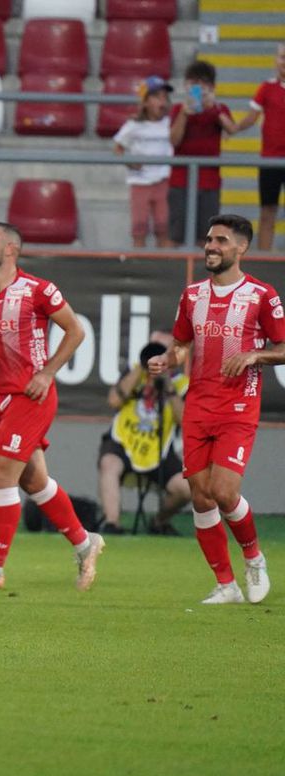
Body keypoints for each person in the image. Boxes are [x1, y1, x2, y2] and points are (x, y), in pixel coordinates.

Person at [0, 222, 105, 591]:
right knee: (33, 479)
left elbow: (75, 330)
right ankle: (86, 544)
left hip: (32, 395)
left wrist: (48, 373)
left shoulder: (38, 290)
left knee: (2, 472)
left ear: (11, 249)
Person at [148, 214, 285, 604]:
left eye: (221, 240)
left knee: (224, 492)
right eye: (209, 239)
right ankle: (226, 585)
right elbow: (181, 346)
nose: (211, 246)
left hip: (239, 406)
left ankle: (253, 557)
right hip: (198, 404)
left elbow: (283, 348)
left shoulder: (262, 295)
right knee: (201, 496)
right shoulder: (192, 295)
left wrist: (253, 355)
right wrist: (166, 360)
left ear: (241, 248)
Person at [97, 338, 190, 536]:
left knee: (186, 488)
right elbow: (114, 401)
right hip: (122, 441)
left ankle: (159, 521)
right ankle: (112, 523)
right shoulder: (133, 374)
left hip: (159, 448)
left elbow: (185, 422)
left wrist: (168, 387)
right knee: (109, 463)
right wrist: (140, 369)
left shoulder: (181, 384)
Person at [168, 60, 238, 247]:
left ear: (212, 86)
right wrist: (184, 114)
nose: (197, 87)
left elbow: (232, 129)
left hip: (209, 181)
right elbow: (174, 140)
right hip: (180, 180)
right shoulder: (177, 109)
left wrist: (213, 109)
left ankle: (203, 275)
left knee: (206, 237)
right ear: (185, 85)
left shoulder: (219, 109)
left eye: (203, 83)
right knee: (175, 235)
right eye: (192, 83)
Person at [232, 43, 285, 251]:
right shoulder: (266, 88)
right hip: (270, 160)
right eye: (282, 57)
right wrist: (233, 128)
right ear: (276, 60)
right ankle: (265, 258)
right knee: (267, 212)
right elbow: (251, 118)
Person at [113, 76, 174, 248]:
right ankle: (139, 264)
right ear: (145, 102)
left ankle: (165, 264)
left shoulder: (170, 123)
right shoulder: (133, 126)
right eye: (156, 97)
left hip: (163, 180)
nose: (162, 102)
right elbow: (118, 148)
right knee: (139, 226)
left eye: (164, 97)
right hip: (140, 181)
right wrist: (131, 163)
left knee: (163, 226)